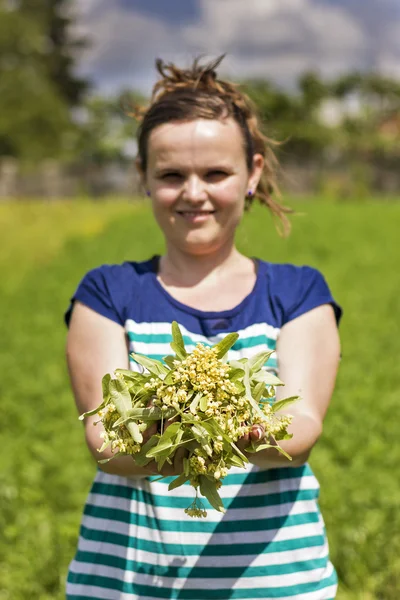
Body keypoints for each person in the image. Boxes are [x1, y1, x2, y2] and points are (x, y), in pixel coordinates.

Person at [65, 56, 342, 600]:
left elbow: (302, 427)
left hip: (273, 582)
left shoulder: (297, 292)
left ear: (253, 173)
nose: (194, 194)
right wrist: (170, 424)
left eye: (215, 173)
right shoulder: (107, 293)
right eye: (171, 175)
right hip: (127, 582)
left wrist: (245, 431)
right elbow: (109, 444)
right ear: (143, 177)